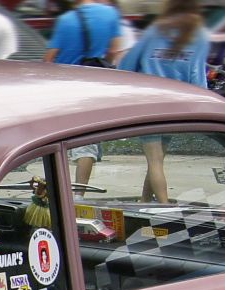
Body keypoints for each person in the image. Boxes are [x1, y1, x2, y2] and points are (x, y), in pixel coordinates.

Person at [117, 0, 209, 201]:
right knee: (157, 160)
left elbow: (126, 65)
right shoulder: (200, 34)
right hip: (176, 107)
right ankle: (145, 201)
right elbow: (197, 78)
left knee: (155, 161)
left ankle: (164, 208)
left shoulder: (155, 30)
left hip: (148, 105)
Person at [43, 0, 133, 186]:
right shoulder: (110, 14)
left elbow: (50, 58)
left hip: (65, 86)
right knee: (86, 140)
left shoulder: (65, 20)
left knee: (60, 140)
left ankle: (65, 193)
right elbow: (115, 50)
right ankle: (79, 192)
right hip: (95, 84)